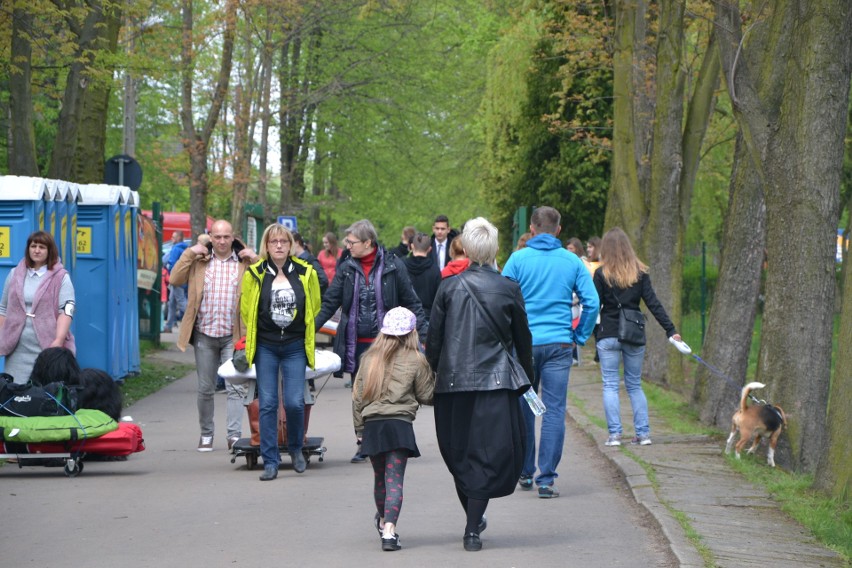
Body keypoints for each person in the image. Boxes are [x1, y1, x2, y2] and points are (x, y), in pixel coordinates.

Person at [426, 217, 533, 552]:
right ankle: (472, 526)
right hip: (496, 384)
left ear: (467, 249)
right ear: (495, 249)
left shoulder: (448, 288)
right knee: (486, 454)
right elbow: (522, 340)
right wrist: (527, 380)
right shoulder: (508, 288)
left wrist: (433, 374)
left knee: (458, 452)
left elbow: (434, 341)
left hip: (453, 384)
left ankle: (472, 522)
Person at [502, 206, 599, 499]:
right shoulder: (571, 261)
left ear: (532, 229)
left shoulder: (517, 260)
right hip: (559, 345)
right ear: (558, 230)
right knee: (555, 410)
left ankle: (524, 470)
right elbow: (591, 303)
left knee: (525, 407)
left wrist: (507, 337)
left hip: (525, 346)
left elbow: (501, 298)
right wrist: (578, 336)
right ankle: (546, 479)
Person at [314, 219, 428, 463]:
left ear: (368, 242)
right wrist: (308, 329)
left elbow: (412, 301)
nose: (347, 245)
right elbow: (330, 303)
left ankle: (395, 441)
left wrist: (427, 336)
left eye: (352, 242)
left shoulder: (393, 265)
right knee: (362, 394)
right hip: (357, 345)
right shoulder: (346, 267)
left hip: (388, 343)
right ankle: (363, 441)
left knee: (392, 392)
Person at [240, 224, 321, 481]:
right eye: (273, 241)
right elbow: (246, 309)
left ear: (290, 245)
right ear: (266, 245)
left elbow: (314, 305)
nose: (278, 246)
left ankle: (296, 448)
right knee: (268, 403)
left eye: (283, 242)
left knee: (295, 402)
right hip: (266, 346)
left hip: (295, 345)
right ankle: (271, 461)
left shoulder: (306, 272)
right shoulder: (254, 273)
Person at [170, 220, 256, 452]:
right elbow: (174, 279)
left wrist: (257, 259)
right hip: (204, 333)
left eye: (226, 236)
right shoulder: (199, 261)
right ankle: (206, 434)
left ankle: (234, 435)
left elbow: (266, 280)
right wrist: (189, 253)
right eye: (217, 236)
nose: (221, 241)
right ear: (210, 237)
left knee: (236, 387)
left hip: (233, 335)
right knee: (205, 388)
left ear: (233, 237)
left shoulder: (244, 262)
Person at [352, 307, 434, 551]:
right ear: (411, 333)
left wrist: (359, 429)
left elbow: (357, 397)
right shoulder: (416, 359)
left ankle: (382, 522)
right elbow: (428, 396)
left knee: (380, 480)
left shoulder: (368, 358)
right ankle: (390, 532)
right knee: (395, 480)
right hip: (400, 425)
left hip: (373, 426)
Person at [593, 227, 681, 447]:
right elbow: (653, 303)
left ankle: (614, 435)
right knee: (634, 384)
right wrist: (671, 330)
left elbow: (593, 305)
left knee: (610, 385)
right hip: (633, 333)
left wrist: (585, 333)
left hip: (609, 334)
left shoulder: (601, 274)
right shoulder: (640, 273)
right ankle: (643, 434)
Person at [0, 231, 75, 383]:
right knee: (15, 393)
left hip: (47, 347)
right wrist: (4, 335)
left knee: (43, 393)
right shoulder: (14, 274)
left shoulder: (61, 277)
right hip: (17, 349)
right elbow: (3, 308)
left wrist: (59, 341)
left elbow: (66, 311)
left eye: (42, 247)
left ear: (50, 251)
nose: (37, 250)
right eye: (33, 246)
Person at [402, 233, 441, 322]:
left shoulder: (402, 266)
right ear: (430, 249)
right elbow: (437, 298)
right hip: (427, 317)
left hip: (405, 316)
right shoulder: (435, 270)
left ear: (412, 246)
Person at [163, 231, 188, 333]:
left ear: (178, 238)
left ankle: (196, 321)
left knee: (181, 301)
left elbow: (171, 263)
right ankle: (169, 325)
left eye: (173, 237)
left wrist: (170, 274)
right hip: (184, 278)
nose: (172, 239)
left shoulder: (176, 249)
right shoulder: (186, 249)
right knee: (172, 302)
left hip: (176, 279)